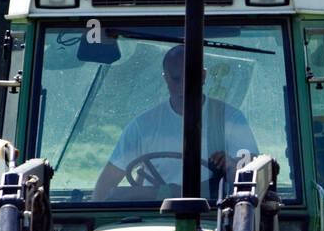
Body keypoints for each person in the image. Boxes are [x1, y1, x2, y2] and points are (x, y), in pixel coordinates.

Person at [93, 44, 257, 200]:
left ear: (203, 76)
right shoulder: (143, 126)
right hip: (152, 219)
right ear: (165, 78)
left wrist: (231, 166)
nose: (184, 86)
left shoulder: (230, 119)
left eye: (190, 78)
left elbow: (251, 176)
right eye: (176, 79)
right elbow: (106, 184)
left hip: (212, 216)